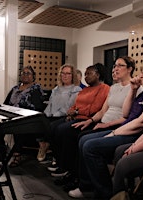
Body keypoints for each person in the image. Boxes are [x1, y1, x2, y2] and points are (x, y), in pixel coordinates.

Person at [69, 58, 143, 199]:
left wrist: (113, 131)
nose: (141, 74)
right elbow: (127, 113)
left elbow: (141, 121)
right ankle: (87, 185)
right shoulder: (141, 91)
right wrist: (133, 90)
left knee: (90, 146)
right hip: (123, 127)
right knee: (83, 139)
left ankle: (104, 192)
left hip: (130, 131)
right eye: (114, 66)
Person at [53, 56, 138, 190]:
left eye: (120, 65)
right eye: (114, 65)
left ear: (130, 69)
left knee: (83, 140)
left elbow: (127, 116)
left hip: (117, 125)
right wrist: (90, 121)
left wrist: (105, 124)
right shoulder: (114, 88)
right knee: (75, 133)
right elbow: (103, 110)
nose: (115, 68)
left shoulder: (134, 88)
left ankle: (87, 184)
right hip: (103, 122)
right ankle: (77, 176)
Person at [46, 63, 110, 176]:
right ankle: (60, 162)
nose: (86, 77)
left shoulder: (104, 88)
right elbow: (75, 105)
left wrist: (76, 112)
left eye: (89, 74)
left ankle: (67, 167)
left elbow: (94, 108)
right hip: (77, 117)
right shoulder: (85, 90)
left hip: (88, 120)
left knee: (63, 131)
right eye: (85, 74)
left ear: (98, 75)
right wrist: (72, 111)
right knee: (52, 128)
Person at [37, 64, 82, 161]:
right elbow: (50, 104)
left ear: (72, 75)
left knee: (53, 127)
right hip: (52, 115)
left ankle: (52, 152)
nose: (65, 76)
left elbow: (69, 107)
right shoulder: (56, 89)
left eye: (68, 73)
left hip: (64, 116)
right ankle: (43, 145)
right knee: (38, 121)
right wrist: (46, 114)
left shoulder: (76, 90)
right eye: (63, 73)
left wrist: (55, 115)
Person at [3, 65, 45, 167]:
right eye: (23, 73)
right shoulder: (15, 88)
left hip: (27, 119)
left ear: (33, 76)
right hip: (11, 116)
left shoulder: (36, 88)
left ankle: (17, 155)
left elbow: (37, 106)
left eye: (28, 73)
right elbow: (5, 104)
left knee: (18, 126)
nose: (25, 75)